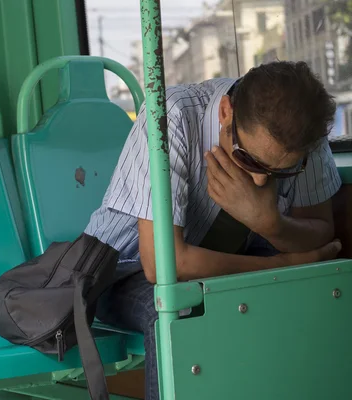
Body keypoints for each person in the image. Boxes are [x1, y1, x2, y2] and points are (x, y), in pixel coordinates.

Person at [84, 61, 343, 399]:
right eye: (249, 160)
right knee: (179, 311)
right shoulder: (170, 117)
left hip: (231, 259)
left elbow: (321, 231)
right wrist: (280, 266)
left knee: (311, 293)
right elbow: (163, 264)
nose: (261, 180)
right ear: (225, 112)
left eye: (283, 172)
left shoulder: (301, 138)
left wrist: (269, 223)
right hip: (121, 270)